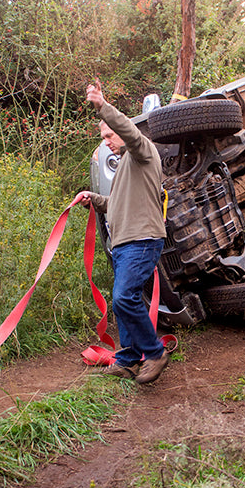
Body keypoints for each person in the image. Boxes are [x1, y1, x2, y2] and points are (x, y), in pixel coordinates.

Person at [80, 80, 168, 384]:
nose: (106, 141)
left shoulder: (142, 150)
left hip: (141, 240)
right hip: (124, 244)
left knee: (123, 298)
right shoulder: (126, 167)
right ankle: (129, 360)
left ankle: (155, 353)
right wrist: (95, 200)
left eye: (109, 134)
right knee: (125, 300)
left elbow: (129, 130)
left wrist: (102, 106)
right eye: (102, 137)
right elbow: (116, 204)